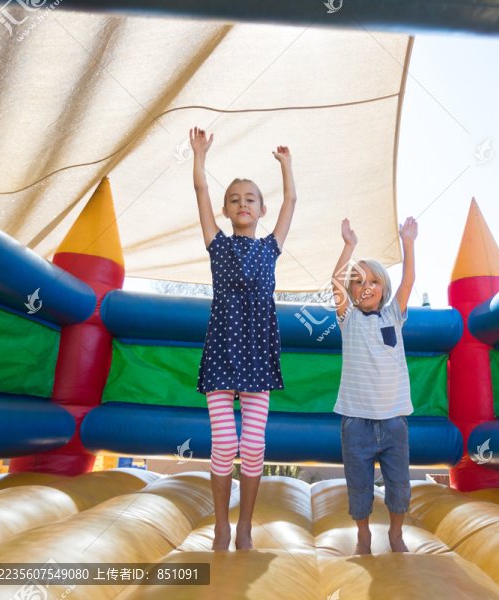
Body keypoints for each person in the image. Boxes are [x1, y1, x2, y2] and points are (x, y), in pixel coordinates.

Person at [190, 126, 297, 551]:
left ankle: (245, 526)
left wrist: (286, 166)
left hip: (256, 354)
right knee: (224, 444)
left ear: (261, 208)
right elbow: (200, 191)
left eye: (250, 198)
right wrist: (200, 155)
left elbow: (291, 201)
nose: (242, 203)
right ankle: (221, 524)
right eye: (234, 199)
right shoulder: (216, 244)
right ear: (226, 209)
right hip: (220, 353)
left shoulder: (270, 247)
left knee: (252, 446)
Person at [331, 216, 417, 554]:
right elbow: (334, 282)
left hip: (394, 420)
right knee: (359, 486)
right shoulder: (347, 319)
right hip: (356, 421)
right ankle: (363, 535)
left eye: (373, 282)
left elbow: (408, 281)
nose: (366, 286)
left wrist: (408, 243)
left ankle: (396, 534)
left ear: (383, 288)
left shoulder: (393, 315)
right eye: (359, 282)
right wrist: (349, 246)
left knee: (399, 485)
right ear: (352, 291)